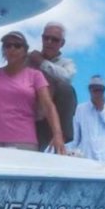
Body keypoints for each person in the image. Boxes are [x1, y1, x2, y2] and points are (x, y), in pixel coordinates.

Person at [28, 21, 77, 151]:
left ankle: (62, 137)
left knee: (66, 89)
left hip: (48, 118)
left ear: (62, 43)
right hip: (26, 112)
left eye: (54, 40)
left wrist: (42, 62)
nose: (49, 42)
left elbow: (66, 77)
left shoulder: (67, 63)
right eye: (46, 38)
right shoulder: (28, 59)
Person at [73, 75, 105, 161]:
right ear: (90, 90)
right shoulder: (80, 109)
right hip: (86, 158)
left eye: (101, 90)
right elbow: (75, 137)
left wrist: (102, 110)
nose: (98, 93)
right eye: (95, 90)